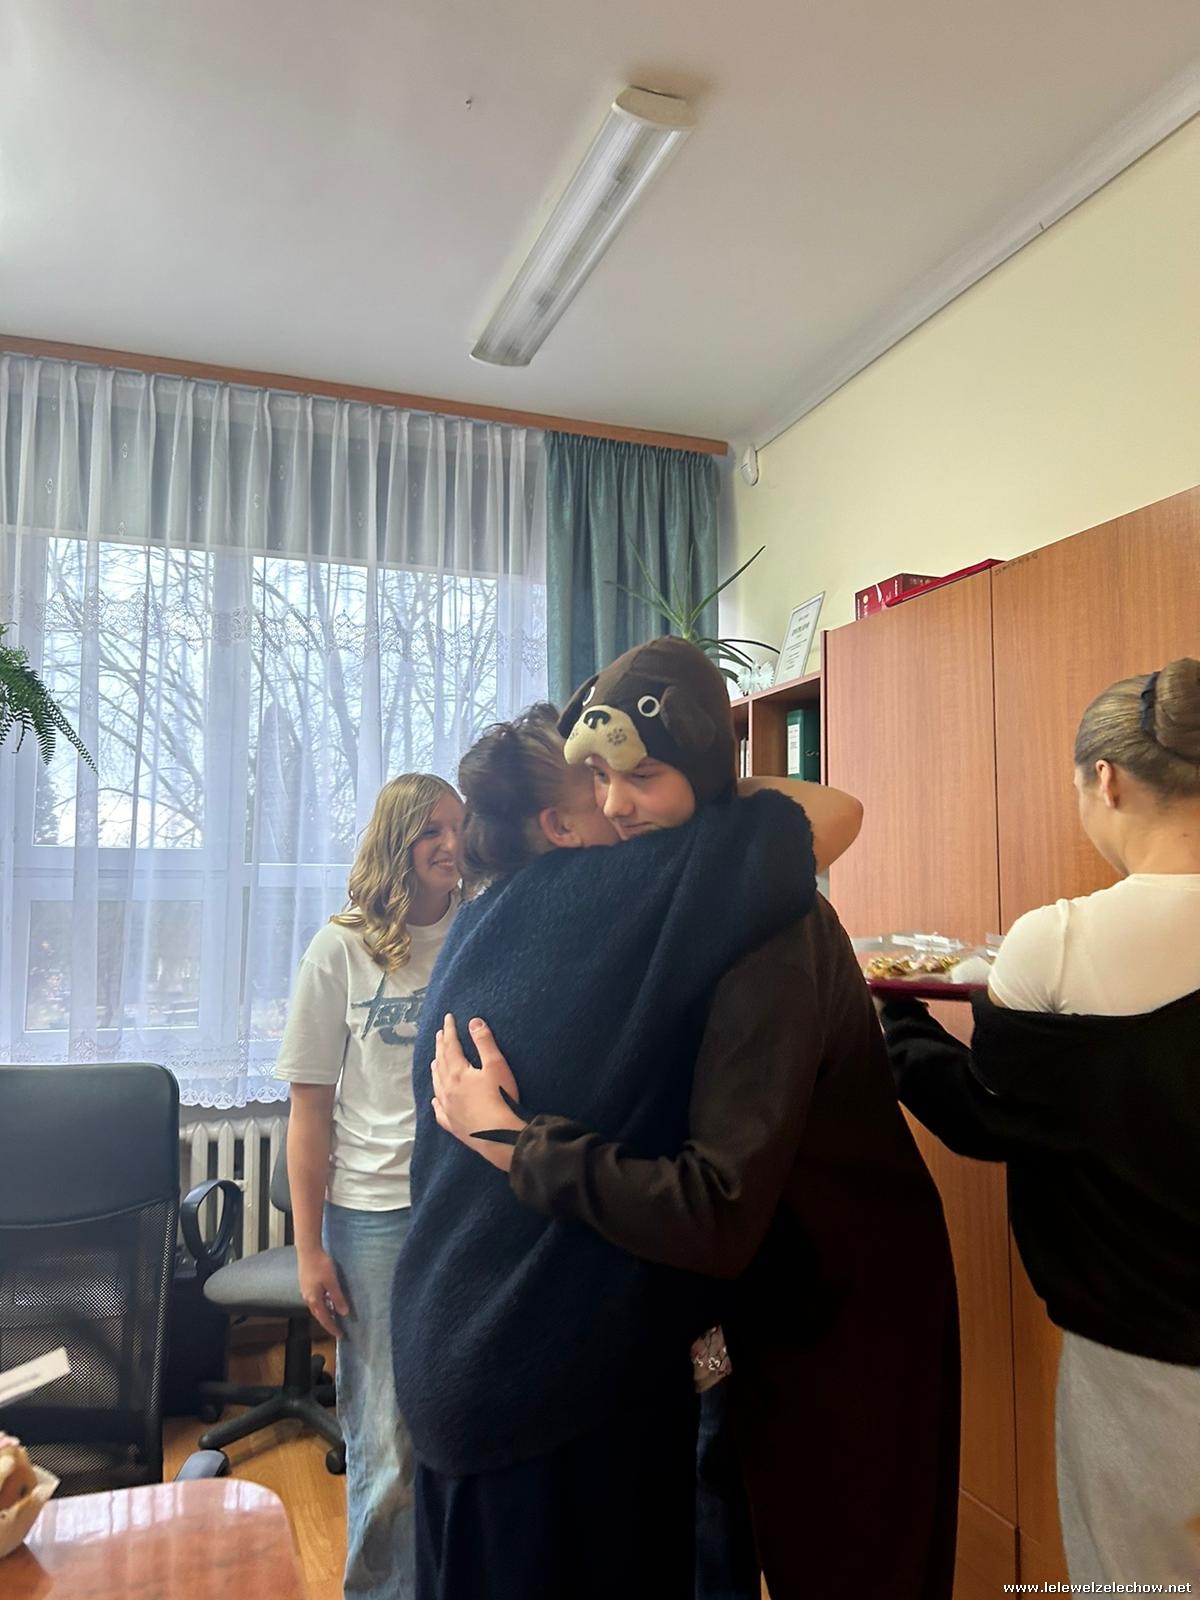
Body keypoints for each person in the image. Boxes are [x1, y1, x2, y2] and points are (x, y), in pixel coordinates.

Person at [432, 645, 962, 1600]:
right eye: (600, 778)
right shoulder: (672, 902)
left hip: (839, 1311)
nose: (616, 806)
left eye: (643, 777)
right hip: (737, 1304)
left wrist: (513, 1141)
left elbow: (716, 1204)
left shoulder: (766, 927)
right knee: (717, 1542)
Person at [878, 659, 1200, 1588]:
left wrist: (899, 1019)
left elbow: (987, 1117)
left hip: (1140, 1356)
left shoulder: (1055, 941)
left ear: (1107, 779)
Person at [274, 773, 463, 1600]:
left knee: (455, 1417)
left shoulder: (480, 927)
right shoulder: (340, 949)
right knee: (385, 1433)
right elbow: (309, 1110)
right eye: (432, 831)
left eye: (458, 827)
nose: (451, 845)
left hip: (463, 1205)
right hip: (374, 1215)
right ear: (396, 841)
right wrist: (309, 1249)